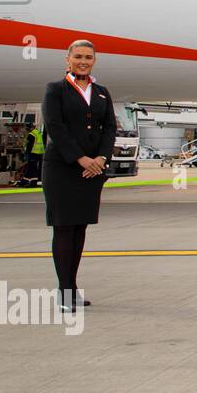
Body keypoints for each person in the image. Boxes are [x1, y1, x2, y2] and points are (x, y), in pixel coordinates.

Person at [41, 40, 116, 312]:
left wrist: (101, 159)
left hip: (92, 170)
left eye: (88, 57)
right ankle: (64, 291)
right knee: (64, 227)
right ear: (68, 59)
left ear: (94, 60)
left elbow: (109, 128)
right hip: (62, 168)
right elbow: (55, 127)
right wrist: (80, 158)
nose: (83, 61)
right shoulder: (55, 90)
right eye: (78, 56)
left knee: (80, 228)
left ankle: (72, 287)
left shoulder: (102, 92)